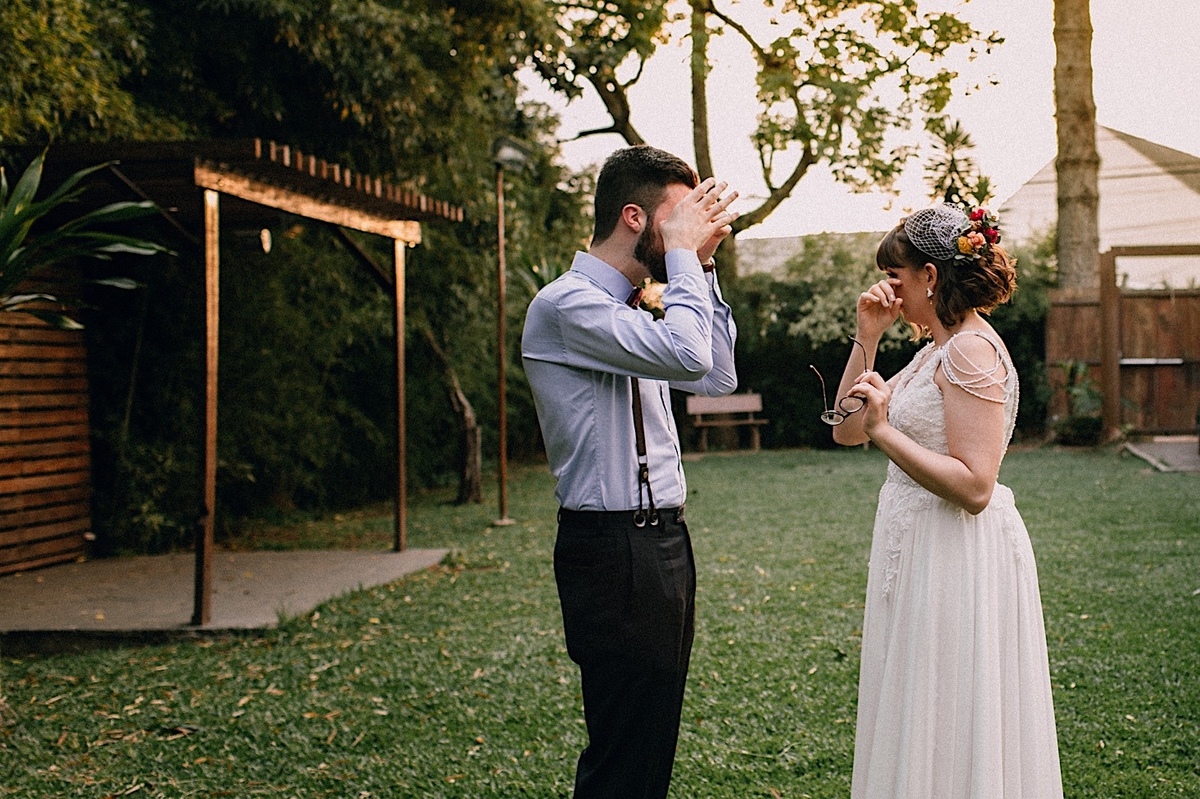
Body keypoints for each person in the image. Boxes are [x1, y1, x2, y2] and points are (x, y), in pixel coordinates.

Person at [520, 145, 739, 799]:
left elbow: (717, 376)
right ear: (635, 218)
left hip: (665, 542)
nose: (690, 230)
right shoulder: (566, 305)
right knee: (623, 754)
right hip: (612, 551)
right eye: (679, 218)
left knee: (650, 746)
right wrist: (684, 256)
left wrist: (700, 264)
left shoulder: (640, 303)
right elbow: (690, 356)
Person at [827, 204, 1064, 798]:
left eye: (895, 276)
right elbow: (845, 430)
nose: (887, 288)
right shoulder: (935, 349)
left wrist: (885, 432)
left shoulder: (969, 351)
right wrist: (867, 337)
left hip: (954, 552)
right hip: (918, 548)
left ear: (930, 276)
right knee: (918, 704)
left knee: (950, 707)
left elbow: (977, 487)